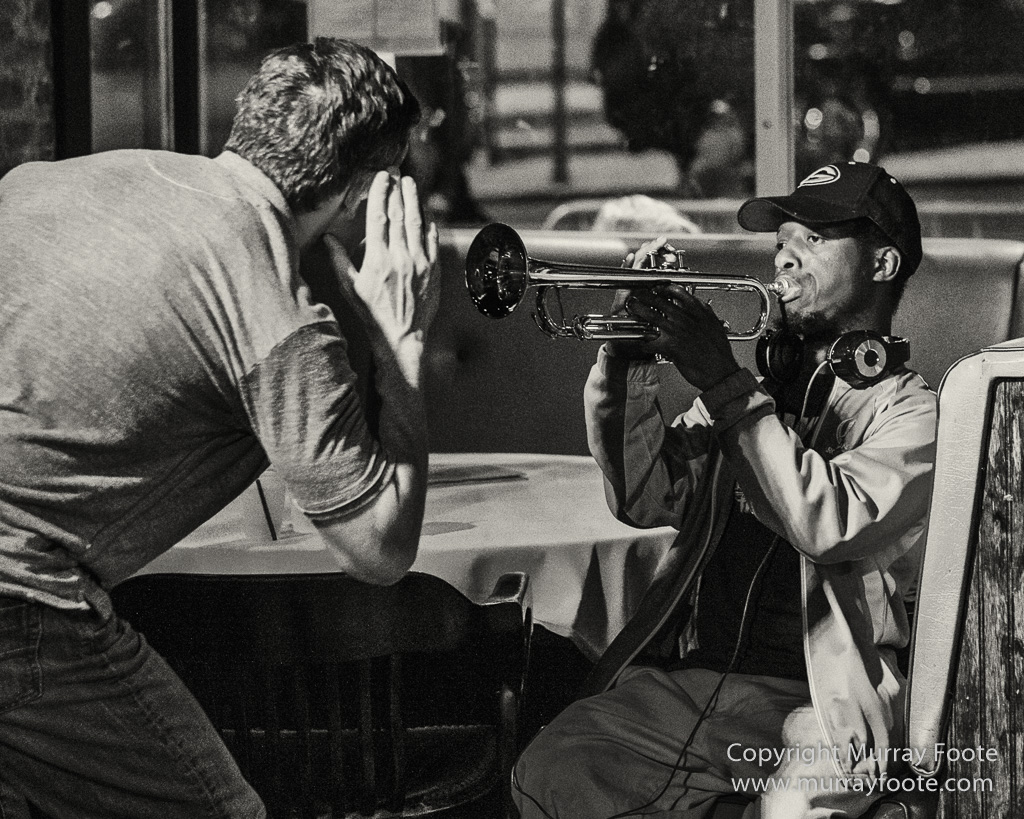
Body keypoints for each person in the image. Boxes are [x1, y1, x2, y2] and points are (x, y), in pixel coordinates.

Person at [0, 37, 438, 819]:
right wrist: (401, 340)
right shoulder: (273, 313)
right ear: (362, 193)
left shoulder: (48, 181)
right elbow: (379, 548)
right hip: (17, 596)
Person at [512, 161, 937, 819]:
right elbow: (645, 496)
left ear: (883, 264)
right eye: (781, 242)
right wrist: (627, 361)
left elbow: (828, 524)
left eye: (814, 239)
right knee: (549, 767)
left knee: (796, 810)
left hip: (821, 704)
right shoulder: (754, 398)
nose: (785, 257)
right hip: (693, 686)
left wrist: (724, 383)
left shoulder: (910, 412)